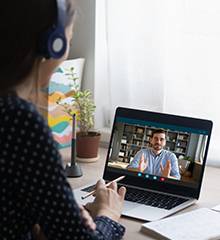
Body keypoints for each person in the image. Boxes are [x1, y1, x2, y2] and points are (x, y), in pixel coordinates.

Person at [0, 1, 126, 239]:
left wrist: (37, 224)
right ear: (53, 45)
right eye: (69, 37)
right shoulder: (20, 120)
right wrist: (108, 214)